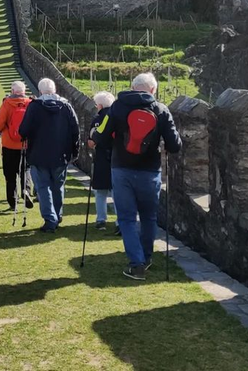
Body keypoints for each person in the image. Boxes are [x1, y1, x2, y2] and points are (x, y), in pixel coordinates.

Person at [93, 73, 181, 281]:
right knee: (149, 218)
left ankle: (137, 263)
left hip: (121, 170)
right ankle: (146, 257)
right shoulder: (160, 110)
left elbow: (101, 136)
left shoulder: (117, 107)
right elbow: (175, 145)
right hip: (150, 171)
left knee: (126, 218)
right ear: (152, 90)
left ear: (132, 88)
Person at [19, 78, 80, 233]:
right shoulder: (66, 106)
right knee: (58, 186)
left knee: (43, 187)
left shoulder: (34, 107)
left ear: (40, 91)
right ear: (55, 89)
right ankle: (57, 215)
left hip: (38, 154)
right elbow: (75, 130)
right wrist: (75, 151)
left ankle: (50, 218)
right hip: (61, 154)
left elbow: (23, 130)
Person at [0, 81, 34, 211]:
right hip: (26, 144)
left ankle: (13, 201)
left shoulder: (7, 103)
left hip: (9, 144)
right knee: (25, 170)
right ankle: (26, 190)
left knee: (10, 174)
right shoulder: (30, 103)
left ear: (12, 91)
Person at [88, 91, 118, 233]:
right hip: (117, 158)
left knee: (100, 192)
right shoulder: (118, 117)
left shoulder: (97, 119)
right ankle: (119, 221)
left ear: (99, 105)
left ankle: (101, 220)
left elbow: (91, 142)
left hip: (101, 158)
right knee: (116, 191)